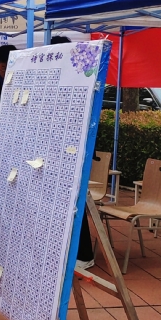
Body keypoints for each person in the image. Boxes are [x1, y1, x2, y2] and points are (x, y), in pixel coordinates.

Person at [49, 35, 96, 269]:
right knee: (60, 207)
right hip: (57, 153)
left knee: (75, 205)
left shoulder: (81, 77)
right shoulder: (58, 77)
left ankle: (84, 255)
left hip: (75, 154)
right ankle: (66, 251)